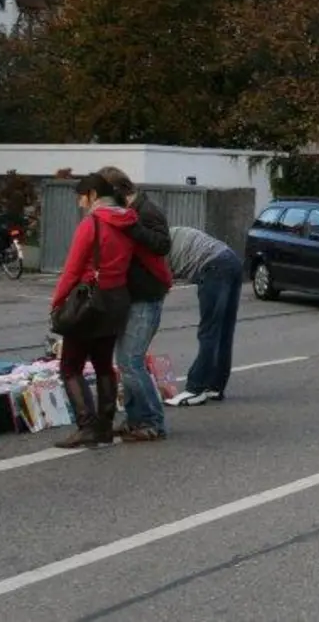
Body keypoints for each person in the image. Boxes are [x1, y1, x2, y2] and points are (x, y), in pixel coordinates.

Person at [48, 174, 141, 449]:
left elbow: (72, 269)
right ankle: (104, 425)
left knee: (70, 366)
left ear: (92, 195)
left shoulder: (92, 224)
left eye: (81, 197)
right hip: (117, 299)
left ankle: (86, 425)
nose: (80, 203)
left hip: (89, 300)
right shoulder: (128, 221)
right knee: (103, 364)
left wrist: (57, 302)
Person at [97, 167, 174, 442]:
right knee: (127, 362)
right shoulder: (128, 212)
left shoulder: (146, 210)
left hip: (146, 297)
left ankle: (153, 422)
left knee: (131, 361)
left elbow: (162, 244)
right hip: (131, 296)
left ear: (118, 190)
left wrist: (132, 227)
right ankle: (135, 419)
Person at [165, 227, 245, 407]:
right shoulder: (168, 232)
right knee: (224, 329)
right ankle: (215, 385)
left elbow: (161, 282)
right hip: (231, 260)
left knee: (209, 331)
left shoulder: (154, 247)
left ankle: (195, 389)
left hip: (213, 266)